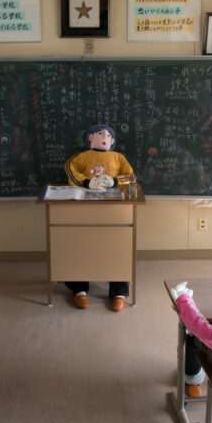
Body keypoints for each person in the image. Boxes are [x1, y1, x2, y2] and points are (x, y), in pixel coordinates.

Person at [63, 123, 135, 312]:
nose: (105, 137)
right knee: (79, 245)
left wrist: (115, 181)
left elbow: (131, 177)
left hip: (113, 210)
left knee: (118, 246)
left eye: (109, 135)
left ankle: (119, 290)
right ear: (90, 138)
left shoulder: (118, 157)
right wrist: (87, 181)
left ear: (113, 141)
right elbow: (70, 169)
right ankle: (78, 289)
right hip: (84, 209)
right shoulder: (81, 156)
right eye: (99, 133)